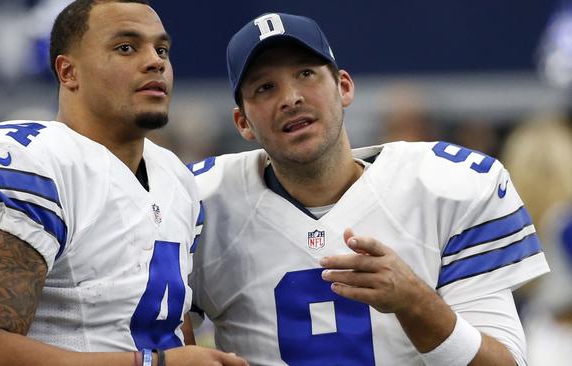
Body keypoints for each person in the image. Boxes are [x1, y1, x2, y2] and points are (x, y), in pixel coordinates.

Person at [188, 12, 550, 366]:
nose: (291, 97)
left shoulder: (450, 188)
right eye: (265, 87)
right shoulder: (200, 202)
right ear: (242, 123)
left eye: (306, 73)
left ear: (344, 87)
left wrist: (416, 304)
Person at [0, 1, 246, 366]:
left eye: (161, 49)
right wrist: (154, 364)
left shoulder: (176, 176)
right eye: (126, 48)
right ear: (68, 72)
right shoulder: (31, 162)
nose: (155, 61)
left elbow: (171, 328)